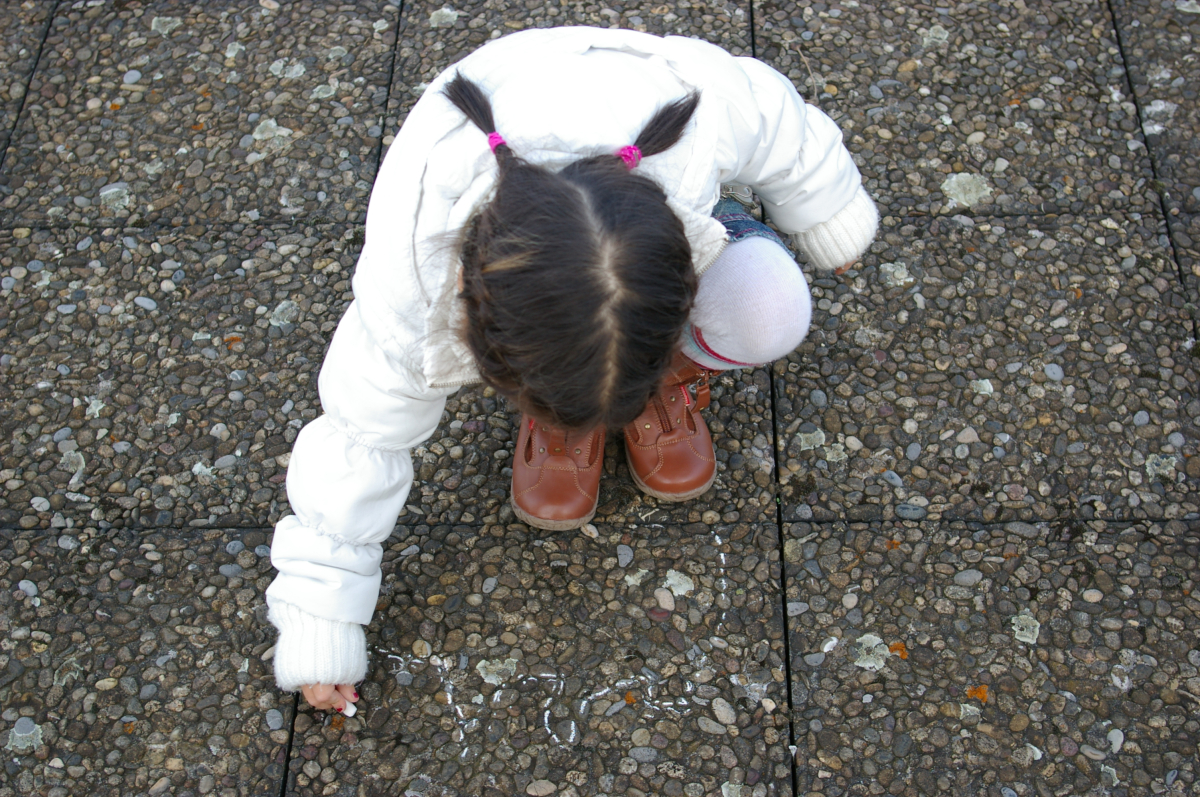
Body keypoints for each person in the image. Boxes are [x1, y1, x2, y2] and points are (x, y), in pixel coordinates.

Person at [264, 27, 879, 711]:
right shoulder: (411, 282)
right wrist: (322, 621)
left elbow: (777, 119)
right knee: (393, 400)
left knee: (772, 305)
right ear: (480, 326)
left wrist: (827, 208)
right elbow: (359, 437)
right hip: (518, 189)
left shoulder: (694, 116)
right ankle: (573, 394)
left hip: (641, 170)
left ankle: (616, 383)